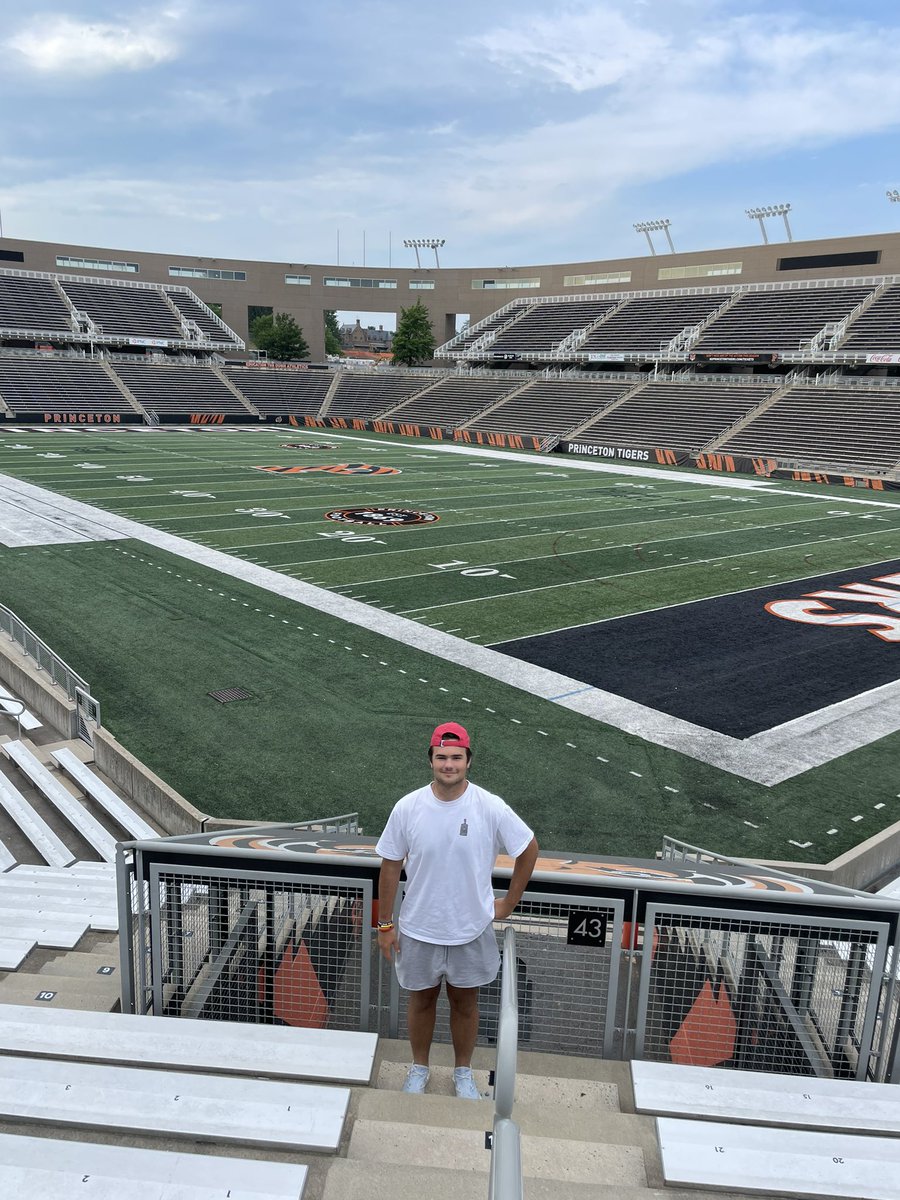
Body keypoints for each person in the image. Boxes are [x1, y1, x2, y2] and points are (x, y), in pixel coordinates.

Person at [375, 721, 539, 1099]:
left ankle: (463, 1072)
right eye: (441, 757)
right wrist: (386, 924)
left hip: (471, 928)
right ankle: (419, 1067)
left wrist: (509, 903)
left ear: (468, 761)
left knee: (466, 1004)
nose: (449, 764)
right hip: (419, 927)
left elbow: (528, 848)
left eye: (456, 758)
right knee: (422, 1000)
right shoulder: (408, 807)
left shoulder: (490, 806)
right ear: (430, 760)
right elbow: (389, 865)